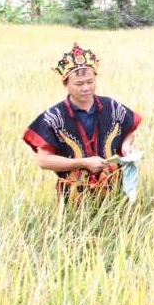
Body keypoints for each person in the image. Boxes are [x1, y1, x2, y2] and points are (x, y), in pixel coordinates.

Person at [22, 43, 142, 201]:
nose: (86, 88)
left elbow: (128, 131)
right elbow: (43, 160)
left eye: (90, 82)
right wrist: (83, 163)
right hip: (74, 197)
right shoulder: (54, 117)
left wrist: (126, 146)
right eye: (79, 84)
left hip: (115, 191)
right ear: (65, 84)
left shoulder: (112, 107)